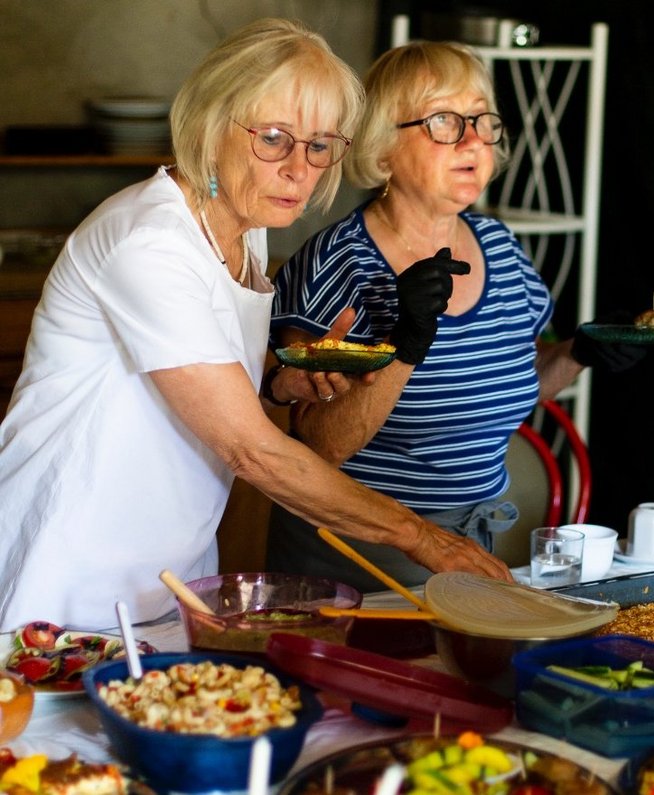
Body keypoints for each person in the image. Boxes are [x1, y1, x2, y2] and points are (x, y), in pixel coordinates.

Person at [0, 20, 512, 632]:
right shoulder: (151, 241)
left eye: (321, 145)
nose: (300, 169)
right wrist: (423, 538)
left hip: (167, 571)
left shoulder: (243, 226)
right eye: (274, 138)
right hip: (65, 568)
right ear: (213, 125)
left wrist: (277, 384)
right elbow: (252, 450)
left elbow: (201, 376)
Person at [266, 39, 646, 592]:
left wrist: (577, 353)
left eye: (481, 119)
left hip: (468, 548)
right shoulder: (337, 262)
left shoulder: (501, 248)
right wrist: (407, 342)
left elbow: (498, 386)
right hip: (356, 555)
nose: (473, 140)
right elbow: (313, 448)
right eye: (444, 121)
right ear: (383, 146)